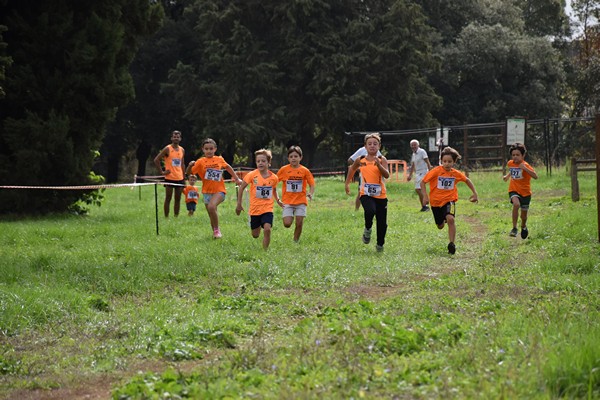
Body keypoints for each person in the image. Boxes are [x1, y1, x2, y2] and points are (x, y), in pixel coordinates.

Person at [421, 146, 478, 255]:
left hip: (449, 200)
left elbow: (467, 180)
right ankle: (443, 219)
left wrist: (475, 193)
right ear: (441, 161)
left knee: (451, 219)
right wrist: (425, 196)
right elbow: (423, 182)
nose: (447, 164)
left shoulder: (455, 173)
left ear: (454, 162)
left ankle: (452, 244)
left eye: (449, 161)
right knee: (440, 226)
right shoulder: (436, 171)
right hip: (435, 203)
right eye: (444, 161)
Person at [187, 138, 243, 238]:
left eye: (211, 148)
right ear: (203, 150)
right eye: (206, 149)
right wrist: (189, 166)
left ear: (215, 149)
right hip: (206, 192)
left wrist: (237, 179)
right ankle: (215, 233)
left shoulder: (219, 159)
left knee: (212, 207)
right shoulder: (200, 162)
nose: (209, 151)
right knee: (211, 214)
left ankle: (217, 231)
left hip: (219, 190)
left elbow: (228, 167)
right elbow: (189, 173)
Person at [345, 133, 389, 252]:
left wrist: (379, 165)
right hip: (366, 193)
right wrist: (347, 183)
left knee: (382, 223)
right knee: (370, 210)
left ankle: (380, 244)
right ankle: (368, 229)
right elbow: (352, 169)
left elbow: (387, 175)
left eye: (375, 144)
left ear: (379, 146)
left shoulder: (382, 159)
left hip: (381, 195)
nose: (372, 146)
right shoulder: (361, 159)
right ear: (365, 146)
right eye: (369, 144)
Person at [236, 149, 281, 250]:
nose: (260, 163)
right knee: (255, 235)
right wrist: (239, 204)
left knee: (267, 229)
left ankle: (264, 251)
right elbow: (242, 188)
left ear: (269, 163)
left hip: (267, 208)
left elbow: (274, 190)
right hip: (255, 210)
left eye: (263, 161)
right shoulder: (252, 175)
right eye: (258, 161)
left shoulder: (274, 178)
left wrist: (278, 200)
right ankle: (259, 226)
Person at [276, 146, 316, 242]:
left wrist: (310, 193)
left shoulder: (305, 170)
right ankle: (290, 215)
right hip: (287, 201)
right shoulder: (283, 170)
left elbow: (312, 184)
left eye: (296, 156)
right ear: (288, 158)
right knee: (287, 224)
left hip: (301, 201)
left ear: (300, 157)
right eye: (291, 156)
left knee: (299, 223)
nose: (293, 158)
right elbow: (274, 182)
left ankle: (295, 241)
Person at [503, 142, 538, 239]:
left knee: (524, 216)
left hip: (525, 193)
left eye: (517, 155)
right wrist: (507, 176)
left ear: (523, 155)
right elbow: (511, 170)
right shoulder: (510, 163)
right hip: (513, 190)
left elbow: (535, 176)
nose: (515, 157)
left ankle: (523, 226)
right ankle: (514, 228)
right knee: (516, 204)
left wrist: (525, 169)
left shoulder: (525, 165)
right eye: (513, 155)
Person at [154, 130, 185, 217]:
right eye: (174, 136)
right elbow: (156, 160)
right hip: (169, 177)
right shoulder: (167, 148)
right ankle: (166, 217)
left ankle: (176, 217)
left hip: (179, 178)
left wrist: (184, 177)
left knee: (178, 199)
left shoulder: (182, 150)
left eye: (177, 136)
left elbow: (182, 164)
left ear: (180, 138)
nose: (176, 138)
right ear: (171, 138)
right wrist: (162, 172)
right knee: (168, 198)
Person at [348, 144, 382, 211]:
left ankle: (374, 209)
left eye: (374, 143)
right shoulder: (362, 150)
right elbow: (350, 160)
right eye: (369, 143)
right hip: (364, 176)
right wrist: (357, 167)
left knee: (375, 193)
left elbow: (381, 162)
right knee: (361, 193)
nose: (372, 145)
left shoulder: (377, 151)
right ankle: (356, 210)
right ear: (366, 144)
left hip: (374, 176)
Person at [406, 139, 433, 211]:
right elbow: (413, 165)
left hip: (423, 172)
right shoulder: (413, 154)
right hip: (418, 173)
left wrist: (430, 169)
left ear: (418, 145)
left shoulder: (422, 151)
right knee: (419, 190)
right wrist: (410, 175)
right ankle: (424, 206)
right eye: (412, 145)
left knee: (418, 189)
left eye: (415, 145)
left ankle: (426, 201)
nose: (413, 146)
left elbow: (427, 160)